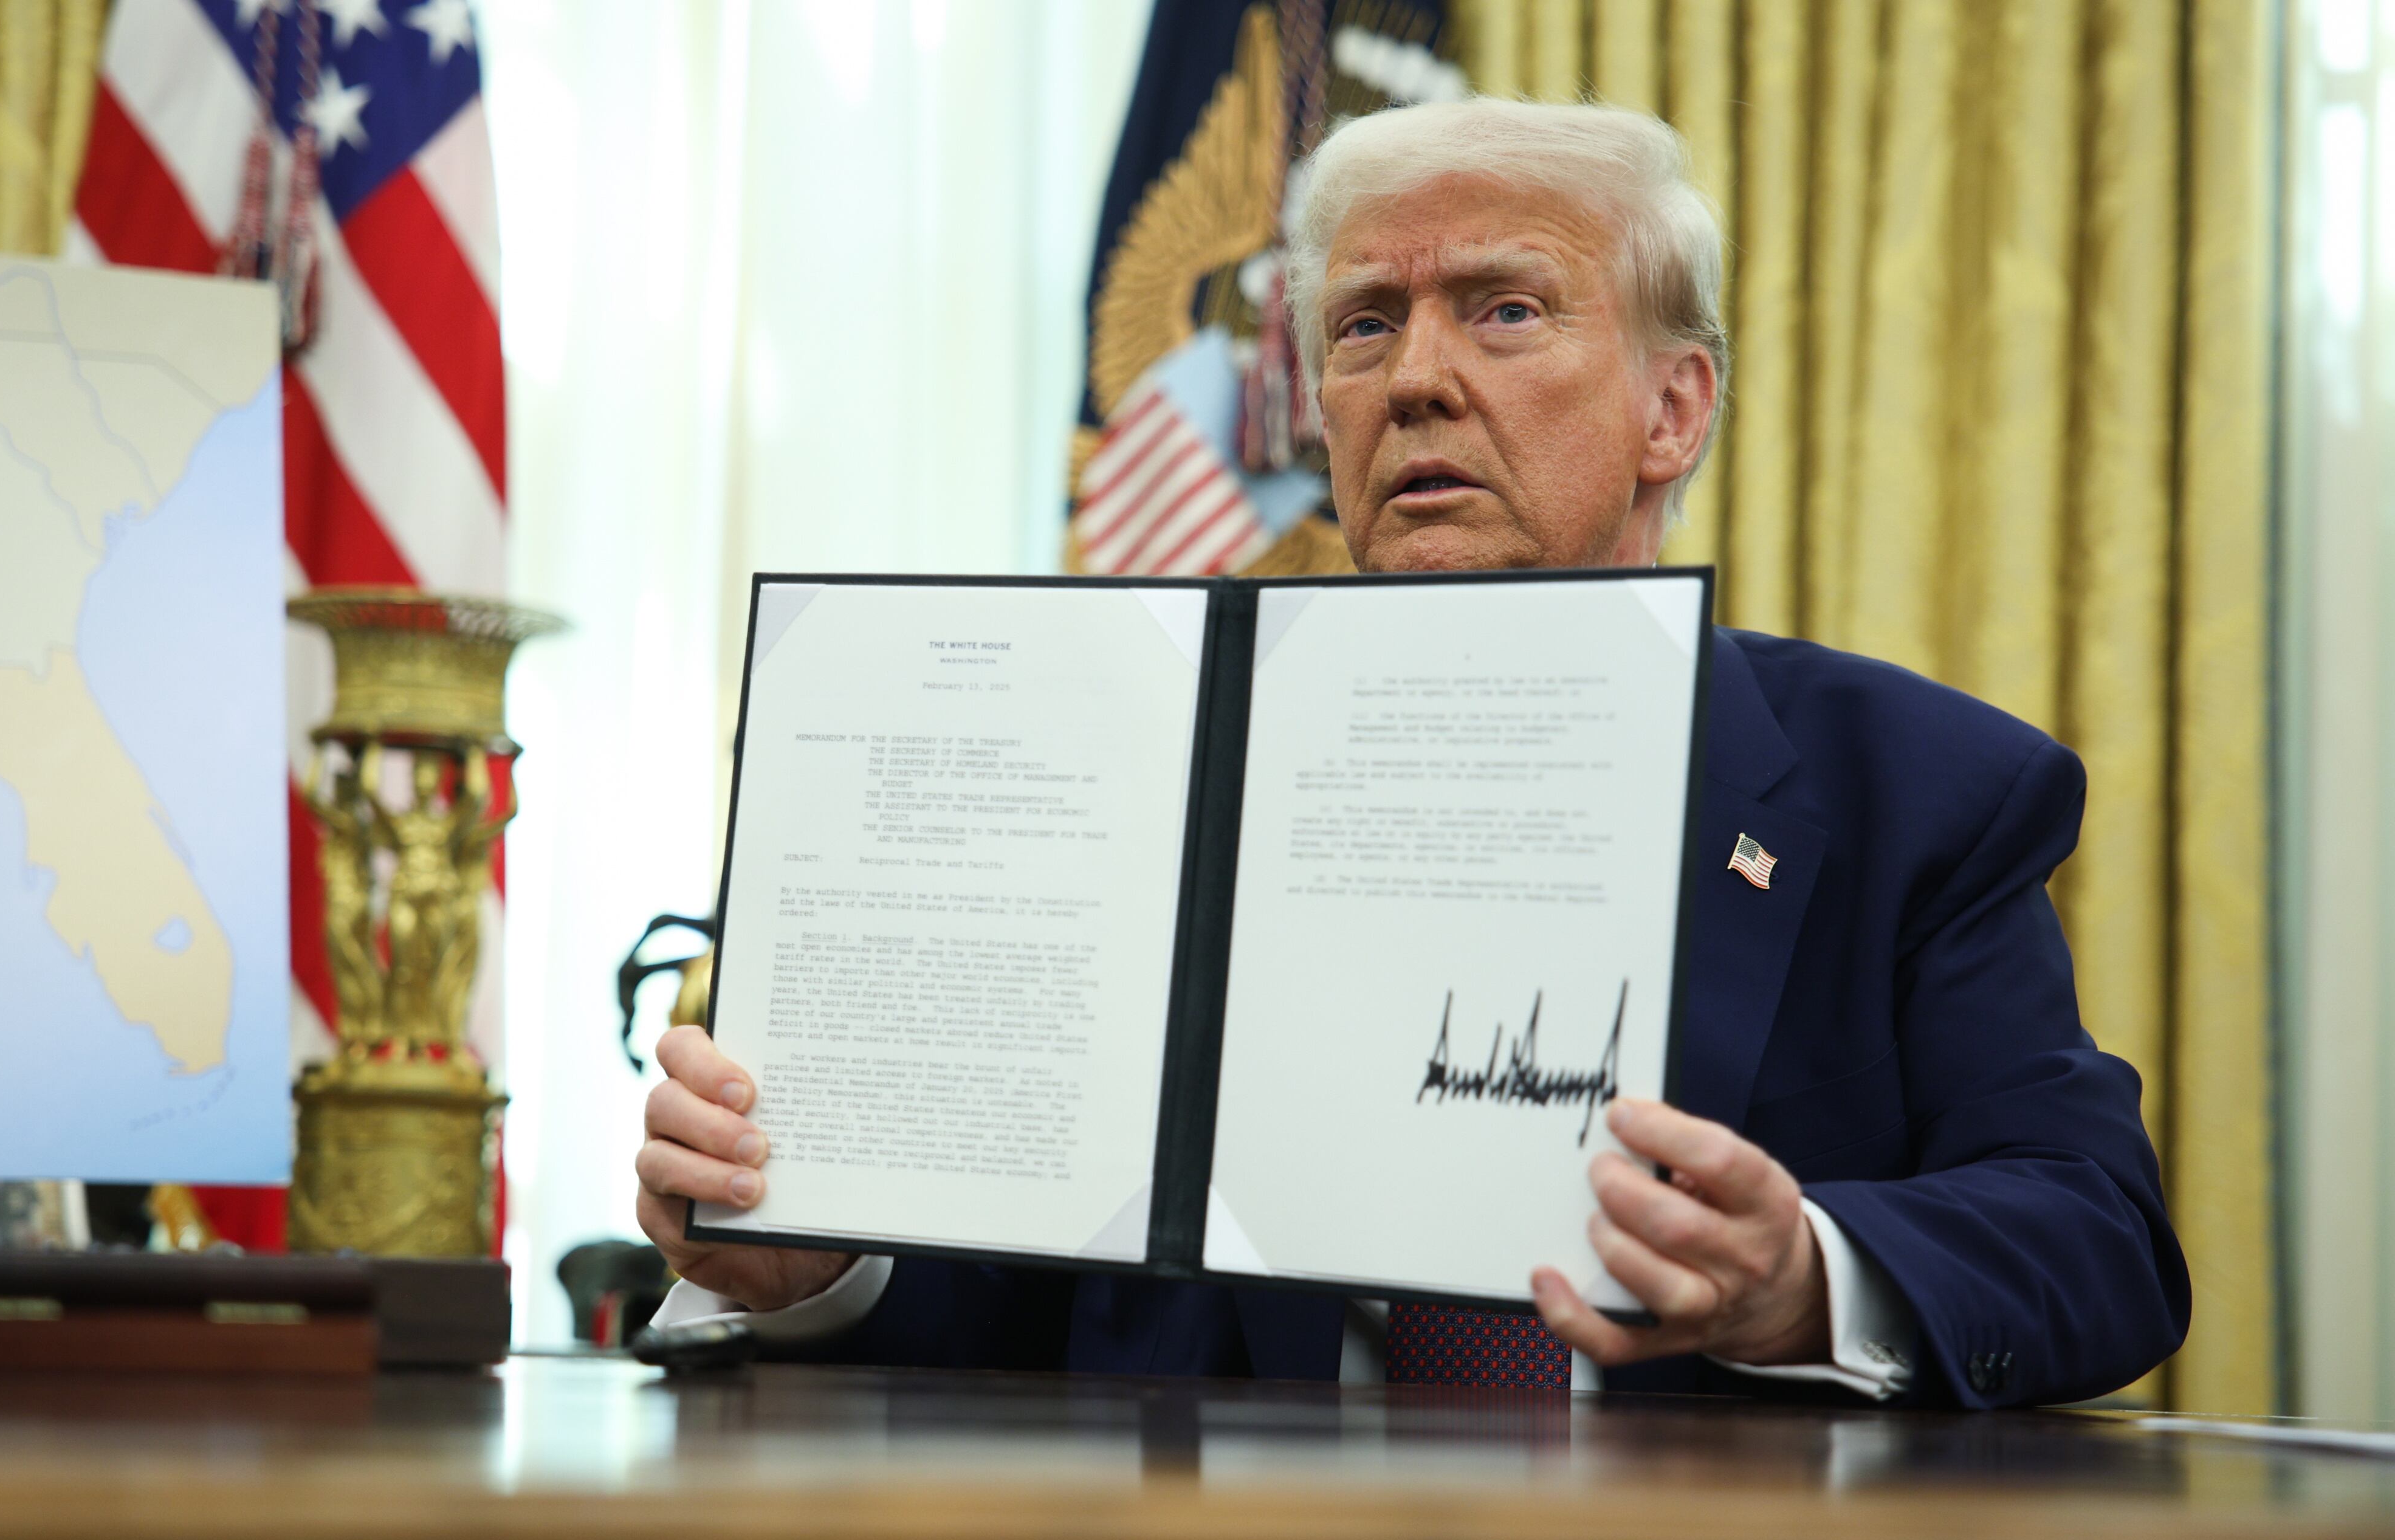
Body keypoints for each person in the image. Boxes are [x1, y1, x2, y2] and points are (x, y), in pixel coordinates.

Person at [634, 97, 2188, 1408]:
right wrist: (817, 1261)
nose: (1417, 378)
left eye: (1504, 309)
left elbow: (2093, 1235)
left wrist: (1798, 1274)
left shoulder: (1915, 793)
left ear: (1673, 405)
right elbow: (1023, 1319)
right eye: (1364, 326)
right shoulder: (1138, 780)